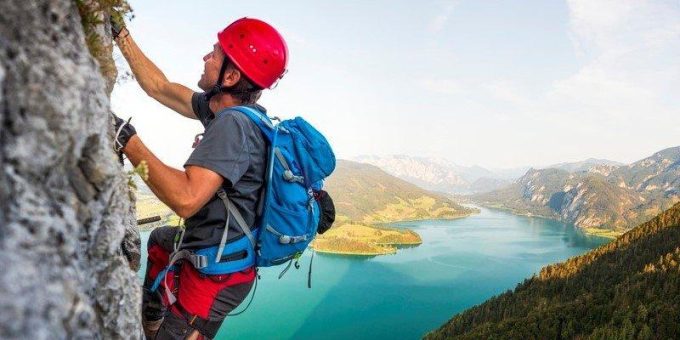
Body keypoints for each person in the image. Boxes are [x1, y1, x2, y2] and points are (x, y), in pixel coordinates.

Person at [111, 17, 288, 339]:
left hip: (214, 277)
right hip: (217, 255)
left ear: (231, 76)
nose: (206, 58)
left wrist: (126, 138)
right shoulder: (223, 110)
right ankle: (150, 315)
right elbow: (159, 87)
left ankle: (160, 326)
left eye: (215, 53)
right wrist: (121, 34)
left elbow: (186, 199)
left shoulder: (233, 124)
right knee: (162, 240)